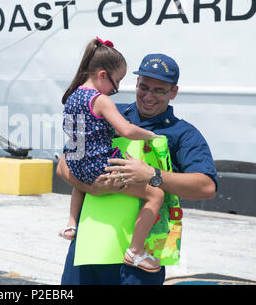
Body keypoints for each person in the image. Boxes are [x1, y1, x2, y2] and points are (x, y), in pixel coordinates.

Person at [57, 52, 218, 285]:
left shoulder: (183, 134)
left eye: (159, 90)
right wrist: (92, 187)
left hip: (139, 265)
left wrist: (153, 175)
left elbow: (207, 187)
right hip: (89, 247)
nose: (148, 96)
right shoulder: (109, 112)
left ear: (174, 92)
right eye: (144, 87)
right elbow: (64, 164)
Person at [59, 37, 164, 272]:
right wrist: (150, 135)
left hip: (78, 165)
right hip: (101, 170)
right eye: (116, 82)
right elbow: (125, 130)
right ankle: (135, 252)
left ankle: (71, 223)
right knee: (155, 194)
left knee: (81, 182)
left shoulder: (73, 96)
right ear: (103, 75)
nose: (116, 89)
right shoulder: (101, 100)